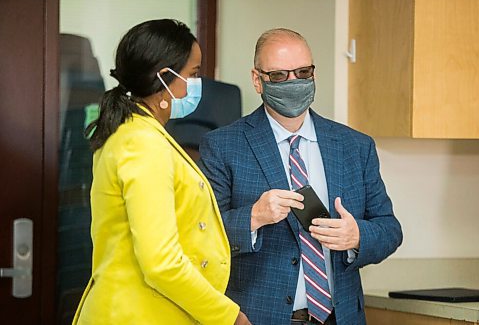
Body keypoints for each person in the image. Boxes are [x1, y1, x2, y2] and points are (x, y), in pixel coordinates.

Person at [199, 28, 403, 325]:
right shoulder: (223, 146)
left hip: (341, 317)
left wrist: (357, 235)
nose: (294, 82)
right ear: (258, 80)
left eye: (303, 72)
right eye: (280, 76)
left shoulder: (355, 146)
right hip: (259, 318)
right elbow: (201, 234)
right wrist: (253, 217)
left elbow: (389, 229)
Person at [72, 19, 250, 325]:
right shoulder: (142, 143)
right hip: (137, 314)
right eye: (193, 74)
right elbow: (161, 263)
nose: (198, 84)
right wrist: (229, 316)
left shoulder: (132, 131)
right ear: (165, 77)